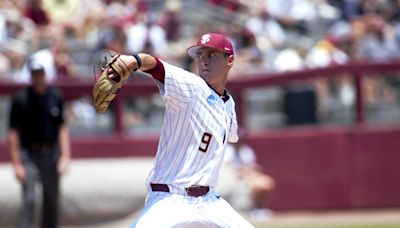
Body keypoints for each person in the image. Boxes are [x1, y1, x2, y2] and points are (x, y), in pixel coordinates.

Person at [96, 33, 254, 227]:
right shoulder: (190, 86)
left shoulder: (229, 103)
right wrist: (134, 60)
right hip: (170, 198)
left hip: (209, 201)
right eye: (200, 55)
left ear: (229, 60)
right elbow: (154, 65)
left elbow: (228, 139)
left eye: (211, 55)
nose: (203, 60)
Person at [7, 61, 70, 228]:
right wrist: (16, 164)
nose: (38, 78)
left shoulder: (55, 96)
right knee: (29, 199)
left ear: (45, 75)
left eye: (40, 74)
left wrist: (65, 157)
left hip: (50, 154)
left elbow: (61, 128)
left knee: (52, 199)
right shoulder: (21, 99)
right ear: (31, 76)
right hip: (29, 154)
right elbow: (13, 133)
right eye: (34, 74)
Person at [223, 135, 275, 220]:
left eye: (240, 139)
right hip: (230, 178)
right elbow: (227, 167)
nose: (238, 141)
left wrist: (252, 171)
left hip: (247, 177)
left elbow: (251, 166)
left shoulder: (246, 150)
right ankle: (250, 209)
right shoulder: (226, 149)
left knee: (266, 183)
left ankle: (258, 209)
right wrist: (243, 171)